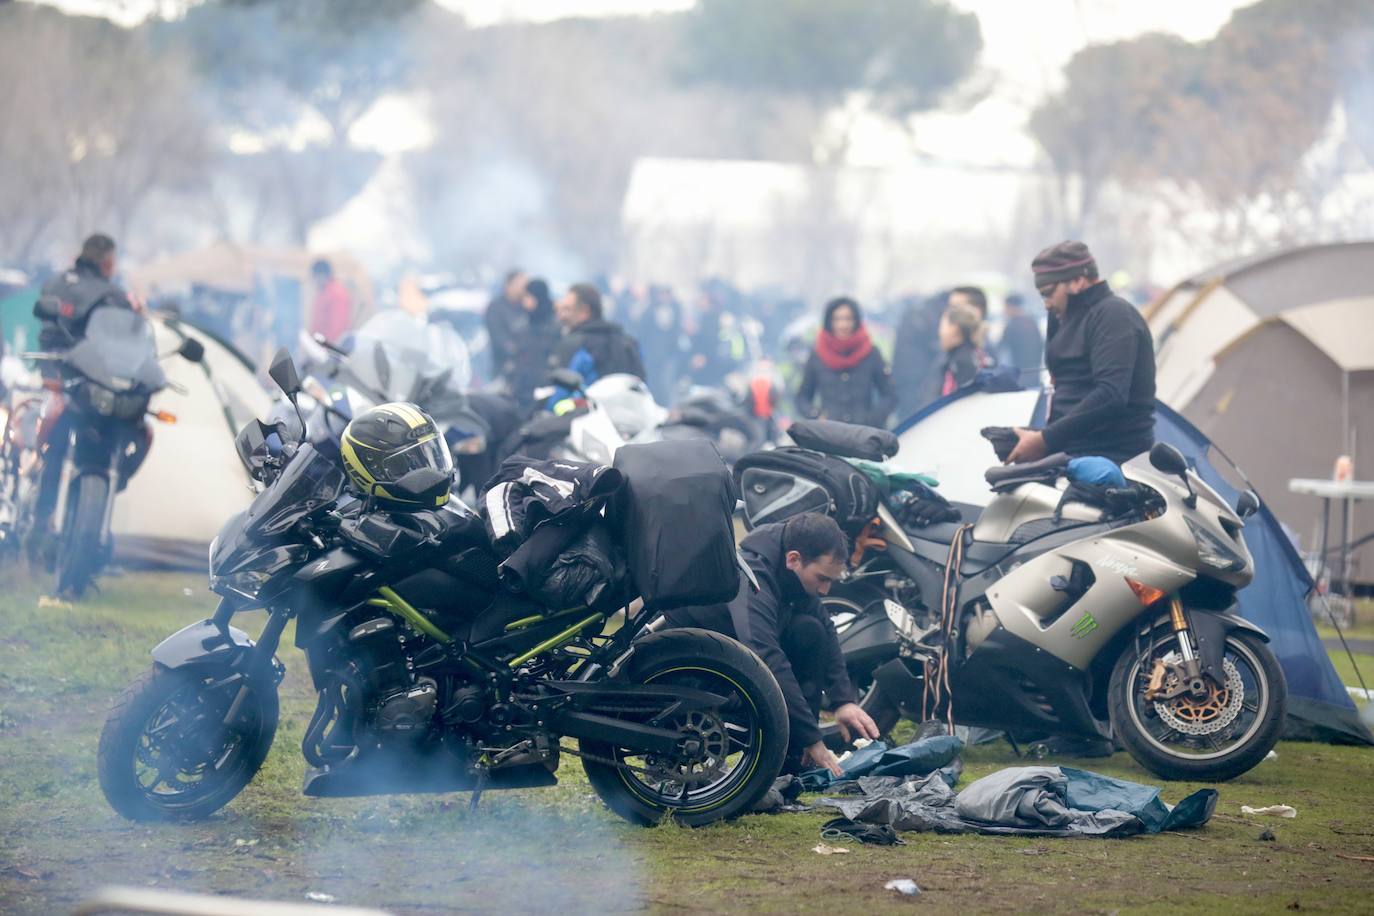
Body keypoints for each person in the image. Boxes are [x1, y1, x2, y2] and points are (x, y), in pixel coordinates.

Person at [664, 513, 879, 776]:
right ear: (794, 559)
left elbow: (825, 628)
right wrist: (811, 737)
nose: (825, 590)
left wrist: (843, 700)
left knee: (810, 630)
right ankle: (791, 748)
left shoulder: (794, 564)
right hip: (698, 666)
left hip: (737, 649)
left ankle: (793, 762)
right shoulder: (753, 572)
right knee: (783, 652)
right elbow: (765, 655)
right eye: (823, 578)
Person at [29, 234, 136, 554]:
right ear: (107, 263)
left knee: (57, 439)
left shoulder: (57, 282)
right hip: (79, 382)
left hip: (54, 373)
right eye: (113, 262)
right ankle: (37, 510)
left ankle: (50, 516)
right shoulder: (112, 294)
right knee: (49, 435)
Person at [1006, 240, 1156, 465]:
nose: (1046, 304)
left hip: (1114, 456)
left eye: (1049, 294)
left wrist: (1045, 439)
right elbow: (1066, 386)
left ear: (1077, 280)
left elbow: (1111, 394)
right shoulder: (1061, 315)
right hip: (1069, 448)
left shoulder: (1114, 315)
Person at [796, 296, 896, 428]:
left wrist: (873, 420)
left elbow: (890, 395)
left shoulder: (871, 353)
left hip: (865, 435)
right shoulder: (818, 355)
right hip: (830, 435)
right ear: (829, 323)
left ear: (856, 321)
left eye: (848, 319)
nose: (843, 325)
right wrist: (816, 416)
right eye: (837, 319)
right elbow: (802, 398)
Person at [549, 282, 646, 385]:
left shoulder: (574, 345)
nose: (561, 316)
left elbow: (562, 391)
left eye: (567, 310)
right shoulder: (629, 343)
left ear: (585, 311)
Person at [500, 277, 561, 407]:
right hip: (522, 389)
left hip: (545, 389)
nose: (524, 301)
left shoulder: (556, 328)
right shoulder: (522, 327)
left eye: (528, 297)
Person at [484, 268, 529, 388]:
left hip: (525, 370)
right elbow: (498, 337)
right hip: (502, 368)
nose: (524, 289)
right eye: (521, 285)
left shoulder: (526, 307)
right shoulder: (496, 307)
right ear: (509, 285)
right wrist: (516, 351)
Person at [932, 302, 983, 401]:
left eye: (942, 325)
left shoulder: (961, 361)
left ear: (954, 329)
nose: (939, 331)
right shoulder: (955, 356)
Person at [996, 293, 1044, 379]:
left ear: (1011, 307)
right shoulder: (1031, 322)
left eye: (1005, 307)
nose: (1004, 311)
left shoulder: (1012, 325)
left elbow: (1001, 349)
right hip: (1034, 370)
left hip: (1019, 372)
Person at [309, 259, 352, 344]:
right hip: (321, 345)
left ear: (322, 275)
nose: (314, 282)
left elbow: (337, 328)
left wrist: (325, 347)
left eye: (314, 277)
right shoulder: (324, 291)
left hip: (330, 348)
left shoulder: (336, 294)